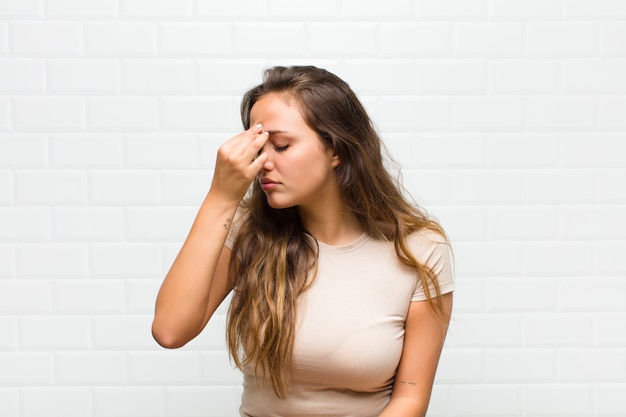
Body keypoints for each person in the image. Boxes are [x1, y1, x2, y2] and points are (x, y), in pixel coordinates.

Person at [152, 65, 454, 417]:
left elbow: (410, 397)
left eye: (280, 146)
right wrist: (221, 197)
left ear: (336, 150)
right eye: (259, 147)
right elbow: (170, 330)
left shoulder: (419, 248)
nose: (263, 162)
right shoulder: (250, 230)